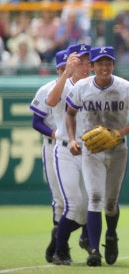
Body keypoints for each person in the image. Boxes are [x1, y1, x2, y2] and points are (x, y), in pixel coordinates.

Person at [64, 46, 129, 266]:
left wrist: (120, 133)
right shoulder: (81, 87)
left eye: (108, 63)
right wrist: (71, 138)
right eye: (100, 63)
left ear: (113, 65)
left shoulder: (125, 87)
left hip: (118, 150)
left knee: (111, 203)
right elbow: (70, 114)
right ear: (92, 66)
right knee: (95, 197)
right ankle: (94, 250)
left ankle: (111, 235)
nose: (104, 67)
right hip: (92, 150)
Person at [45, 43, 93, 265]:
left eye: (87, 62)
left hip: (90, 151)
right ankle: (60, 251)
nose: (84, 67)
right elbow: (51, 101)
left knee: (87, 208)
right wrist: (66, 74)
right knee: (74, 205)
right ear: (71, 63)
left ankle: (59, 236)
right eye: (79, 62)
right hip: (65, 149)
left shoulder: (95, 86)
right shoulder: (62, 84)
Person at [30, 50, 67, 263]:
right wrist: (55, 133)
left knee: (82, 198)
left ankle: (80, 237)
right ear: (58, 69)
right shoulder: (47, 89)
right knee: (60, 199)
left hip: (78, 148)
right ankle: (59, 245)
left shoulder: (79, 88)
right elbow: (36, 122)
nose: (66, 72)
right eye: (62, 69)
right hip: (53, 146)